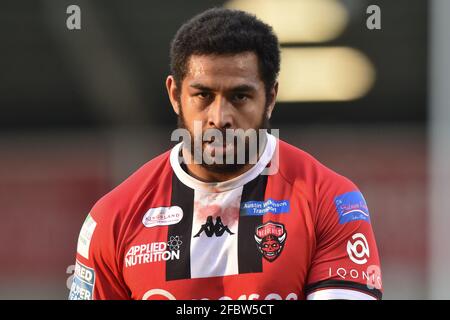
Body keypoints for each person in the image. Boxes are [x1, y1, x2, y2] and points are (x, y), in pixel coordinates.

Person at [69, 7, 382, 300]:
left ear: (270, 98)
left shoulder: (330, 200)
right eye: (203, 95)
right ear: (175, 95)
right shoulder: (113, 218)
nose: (220, 117)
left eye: (240, 96)